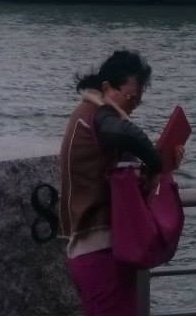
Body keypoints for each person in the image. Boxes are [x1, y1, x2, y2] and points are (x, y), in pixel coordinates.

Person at [59, 50, 181, 316]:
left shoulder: (88, 117)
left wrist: (166, 163)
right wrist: (158, 162)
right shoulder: (98, 117)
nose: (133, 106)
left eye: (138, 101)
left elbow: (124, 177)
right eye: (130, 98)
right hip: (99, 252)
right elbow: (125, 134)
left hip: (98, 252)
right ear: (107, 88)